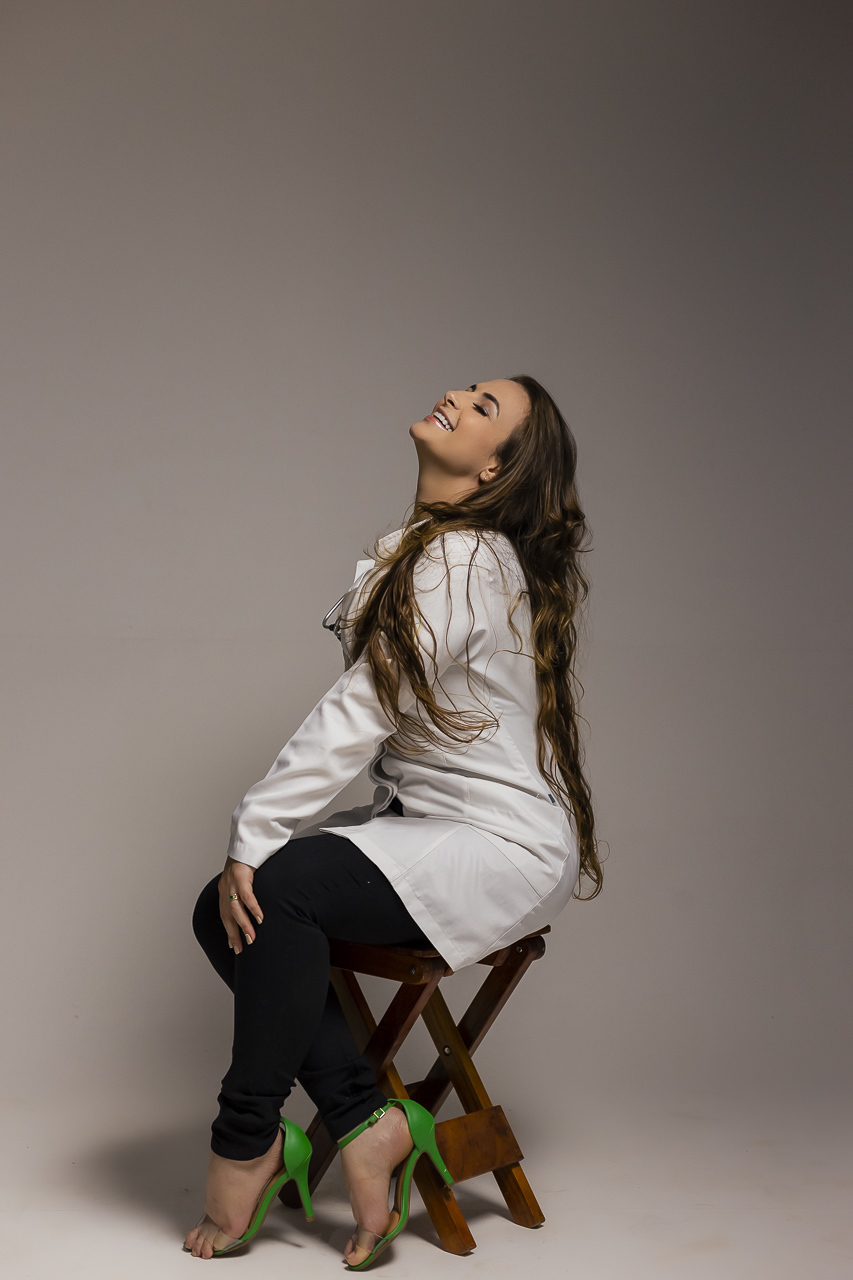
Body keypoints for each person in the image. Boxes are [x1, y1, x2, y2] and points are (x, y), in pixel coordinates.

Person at [184, 375, 603, 1265]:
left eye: (484, 407)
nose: (457, 395)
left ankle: (247, 1140)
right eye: (469, 387)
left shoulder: (465, 560)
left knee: (271, 889)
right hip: (428, 821)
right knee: (224, 908)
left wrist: (255, 827)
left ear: (495, 469)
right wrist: (253, 845)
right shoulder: (423, 550)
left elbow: (366, 705)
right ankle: (366, 1118)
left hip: (499, 842)